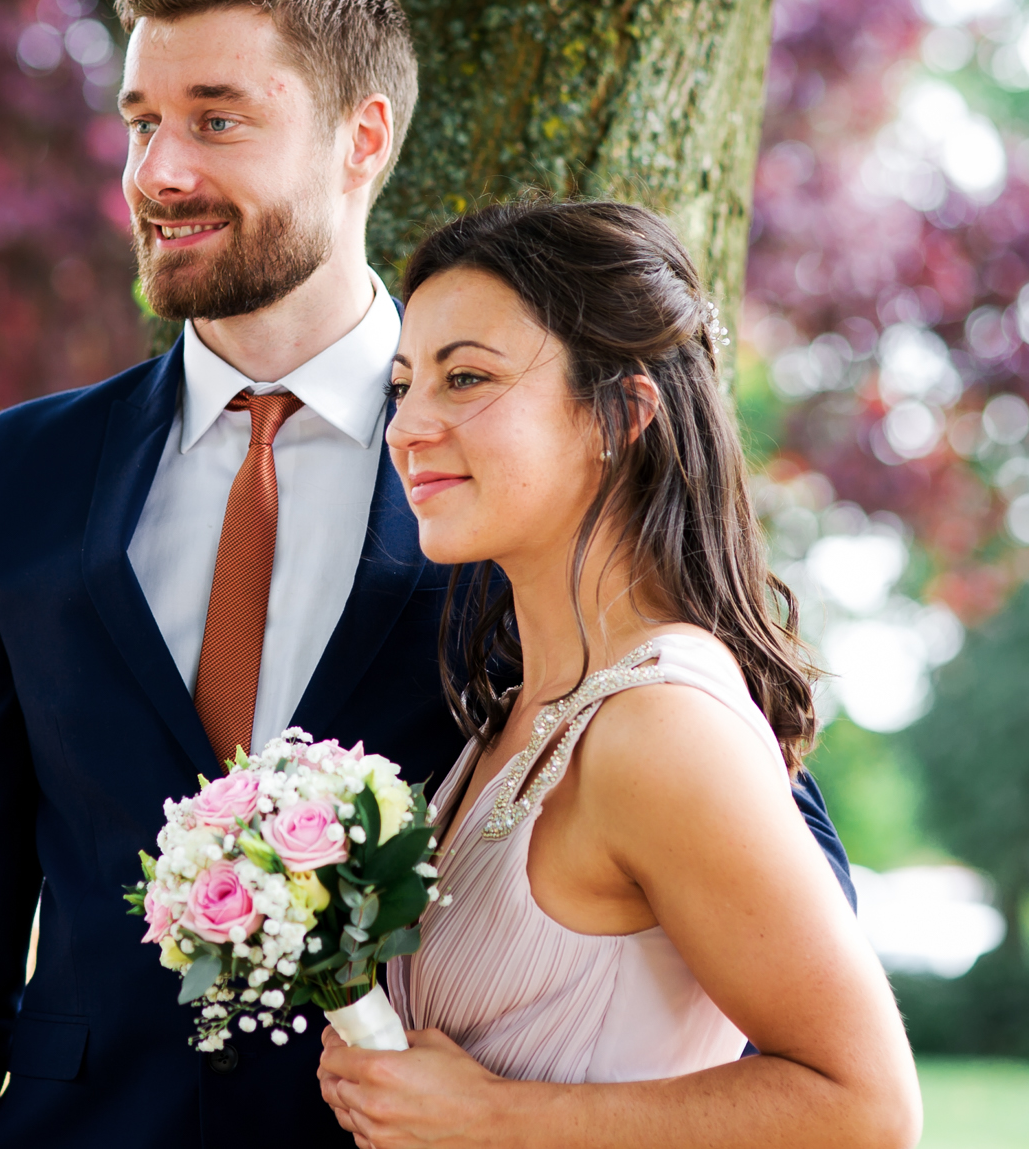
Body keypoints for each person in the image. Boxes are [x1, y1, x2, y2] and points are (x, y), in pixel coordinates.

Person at [0, 0, 851, 1149]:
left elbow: (771, 898)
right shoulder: (25, 472)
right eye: (138, 120)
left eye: (217, 118)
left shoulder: (504, 460)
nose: (157, 170)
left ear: (360, 140)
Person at [316, 200, 920, 1149]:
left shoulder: (660, 725)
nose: (408, 427)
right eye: (402, 385)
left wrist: (495, 1119)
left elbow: (867, 1109)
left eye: (465, 377)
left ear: (621, 415)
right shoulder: (511, 715)